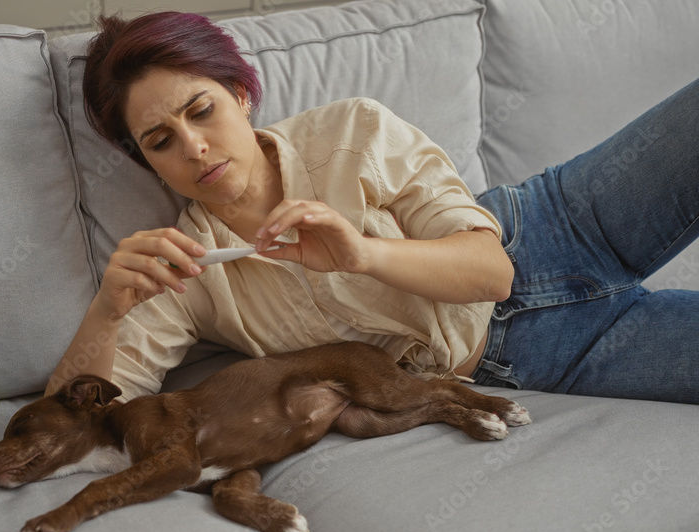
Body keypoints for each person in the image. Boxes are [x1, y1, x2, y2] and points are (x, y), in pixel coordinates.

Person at [44, 11, 699, 405]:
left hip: (556, 225)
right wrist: (107, 311)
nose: (194, 145)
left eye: (202, 109)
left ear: (241, 94)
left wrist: (362, 254)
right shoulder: (184, 271)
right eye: (162, 141)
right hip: (537, 357)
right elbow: (76, 422)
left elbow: (491, 271)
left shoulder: (350, 131)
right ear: (148, 161)